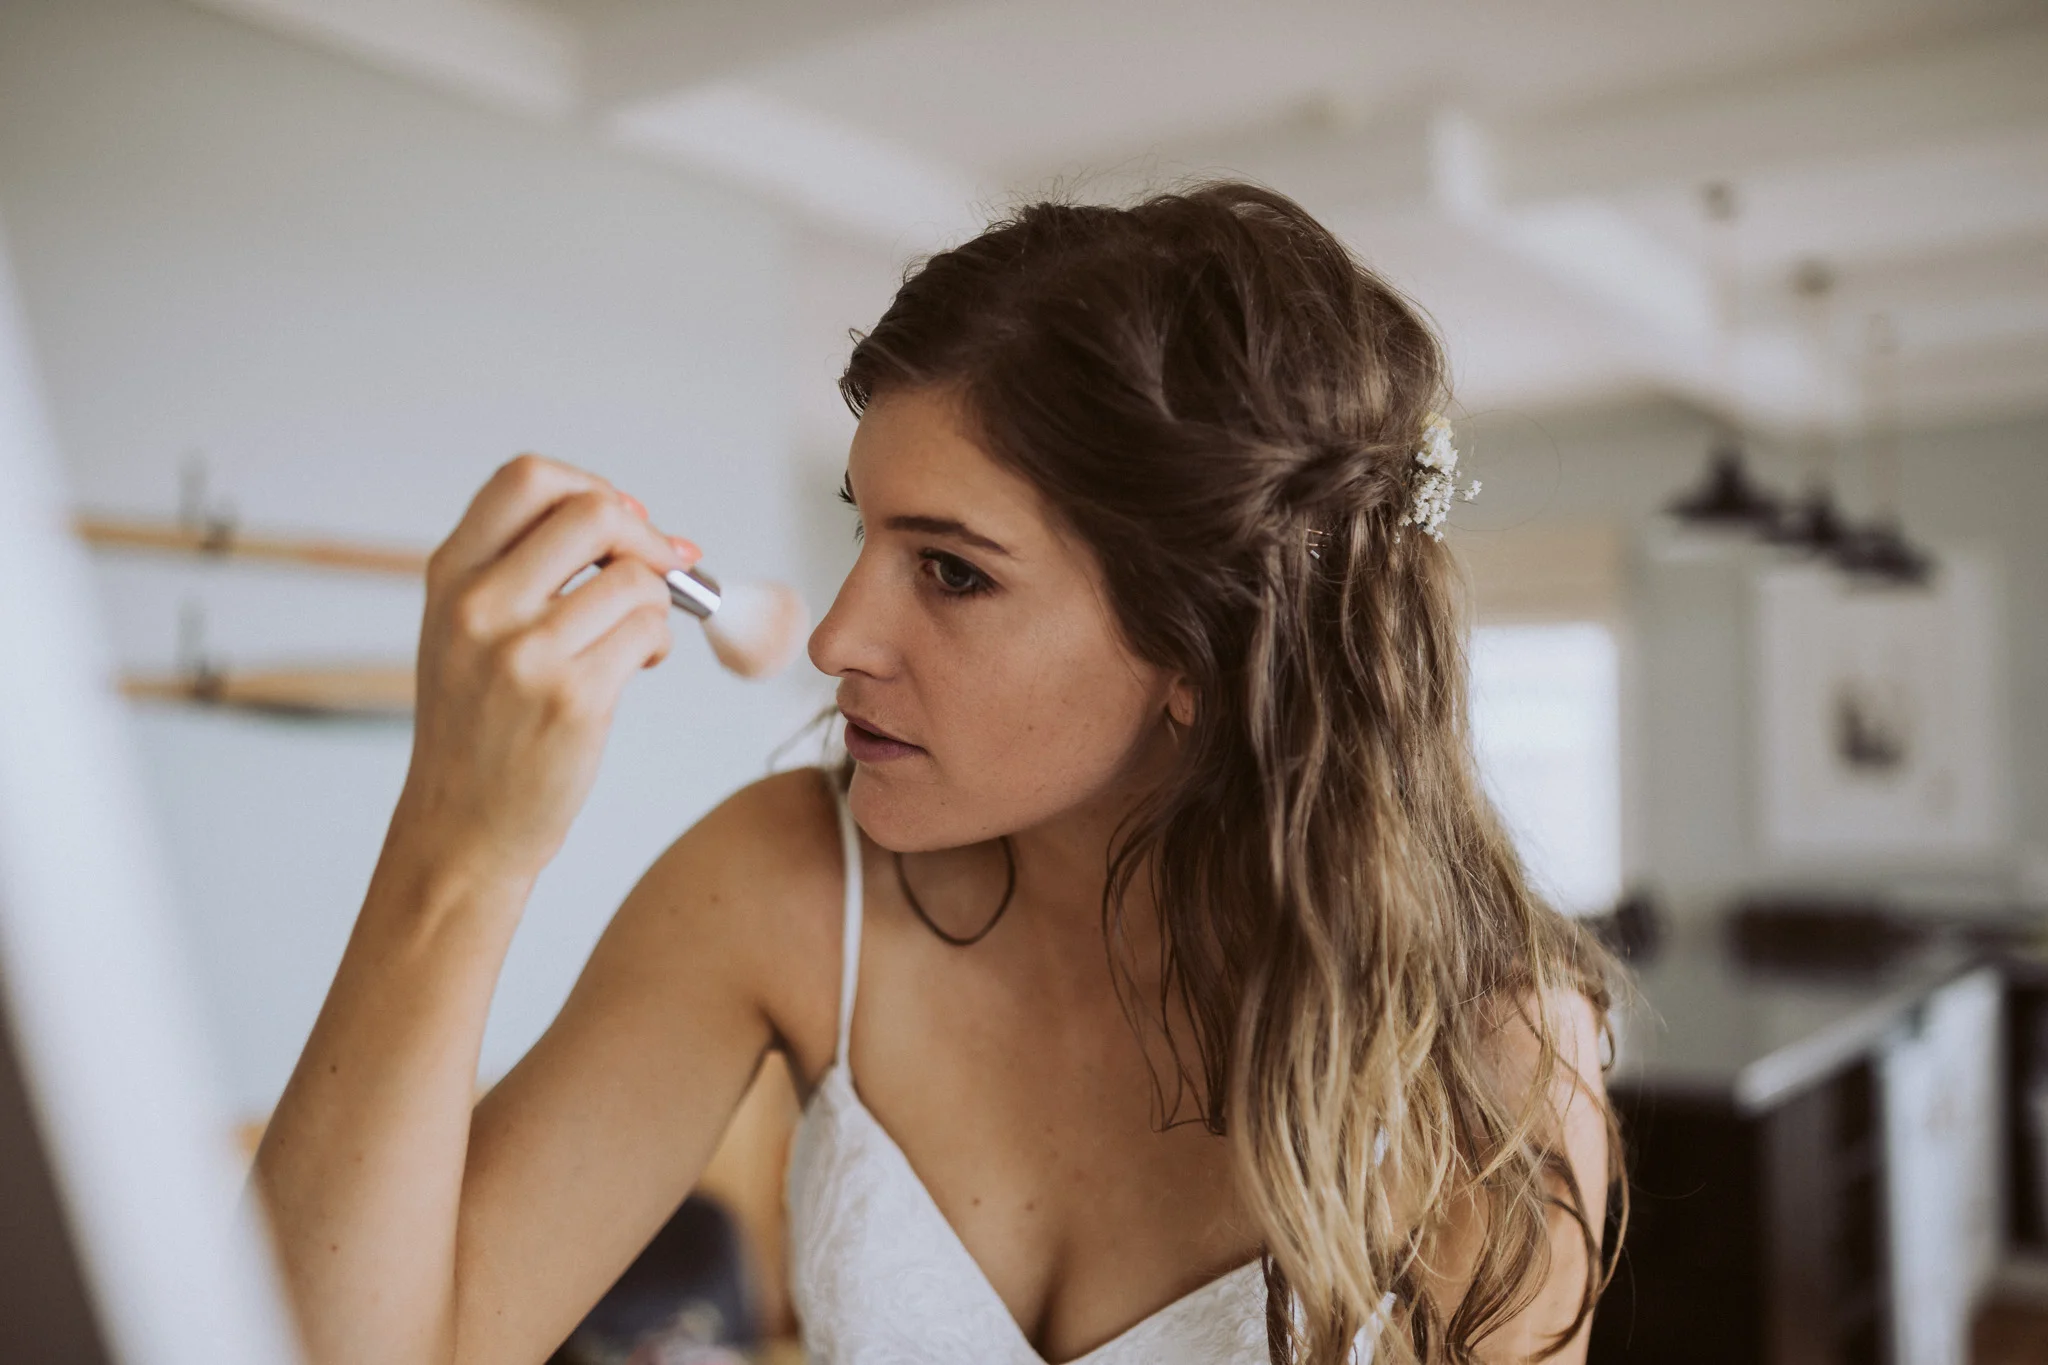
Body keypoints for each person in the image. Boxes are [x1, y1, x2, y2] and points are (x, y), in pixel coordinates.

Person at [252, 182, 1621, 1365]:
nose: (842, 636)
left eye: (953, 571)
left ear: (1202, 647)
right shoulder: (787, 885)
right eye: (867, 535)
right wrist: (461, 844)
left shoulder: (1489, 1067)